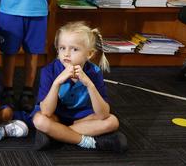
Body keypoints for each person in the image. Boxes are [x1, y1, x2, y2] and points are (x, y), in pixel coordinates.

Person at [32, 21, 127, 152]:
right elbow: (47, 112)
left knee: (112, 121)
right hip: (56, 116)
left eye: (74, 49)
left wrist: (89, 84)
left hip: (82, 119)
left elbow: (103, 114)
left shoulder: (94, 72)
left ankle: (56, 134)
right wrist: (56, 83)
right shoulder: (49, 71)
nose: (66, 53)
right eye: (62, 48)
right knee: (40, 120)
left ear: (89, 54)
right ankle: (90, 142)